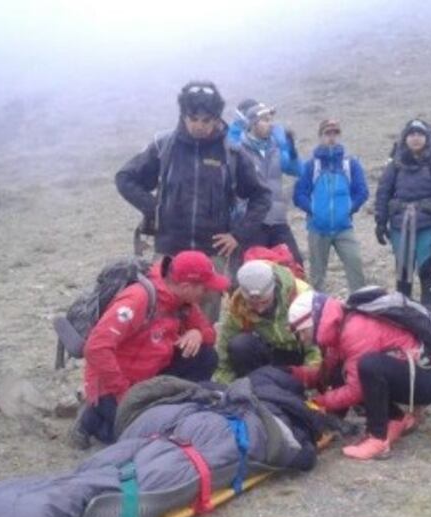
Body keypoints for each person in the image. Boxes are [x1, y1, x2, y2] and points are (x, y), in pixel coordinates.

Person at [115, 81, 271, 320]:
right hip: (169, 251)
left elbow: (262, 195)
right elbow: (125, 178)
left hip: (211, 253)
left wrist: (238, 235)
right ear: (183, 115)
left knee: (203, 323)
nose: (199, 125)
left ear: (217, 118)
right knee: (160, 317)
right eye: (193, 118)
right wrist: (155, 210)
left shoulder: (231, 153)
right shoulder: (164, 146)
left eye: (206, 120)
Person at [73, 251, 227, 446]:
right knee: (132, 436)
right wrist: (123, 393)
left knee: (205, 356)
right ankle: (91, 416)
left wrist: (197, 333)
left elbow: (209, 334)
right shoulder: (138, 299)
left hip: (150, 374)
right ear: (186, 287)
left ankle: (163, 406)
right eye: (204, 289)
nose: (208, 293)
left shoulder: (183, 300)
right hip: (115, 384)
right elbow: (96, 348)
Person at [286, 290, 431, 460]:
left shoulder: (354, 329)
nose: (301, 338)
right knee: (349, 369)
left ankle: (378, 438)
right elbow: (329, 372)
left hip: (427, 380)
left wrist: (318, 403)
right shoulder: (340, 325)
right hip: (409, 374)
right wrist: (296, 375)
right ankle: (395, 419)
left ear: (313, 320)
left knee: (369, 366)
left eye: (302, 331)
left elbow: (356, 390)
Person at [374, 119, 431, 307]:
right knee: (403, 271)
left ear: (427, 138)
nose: (416, 138)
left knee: (427, 269)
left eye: (420, 134)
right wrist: (380, 222)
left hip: (429, 226)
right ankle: (404, 310)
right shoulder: (395, 165)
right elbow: (383, 192)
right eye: (411, 134)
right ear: (405, 138)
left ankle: (429, 310)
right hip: (400, 226)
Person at [214, 259, 320, 384]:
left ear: (274, 289)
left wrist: (309, 381)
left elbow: (317, 348)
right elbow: (224, 352)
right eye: (252, 303)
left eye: (264, 302)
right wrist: (225, 387)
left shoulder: (302, 296)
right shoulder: (238, 305)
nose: (260, 309)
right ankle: (255, 385)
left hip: (298, 356)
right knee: (240, 344)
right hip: (267, 356)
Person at [293, 118, 369, 293]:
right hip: (317, 228)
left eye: (335, 133)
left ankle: (359, 304)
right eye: (327, 133)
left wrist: (349, 209)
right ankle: (318, 305)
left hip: (344, 227)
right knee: (317, 275)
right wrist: (314, 211)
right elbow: (299, 194)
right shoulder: (311, 166)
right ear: (320, 136)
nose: (332, 137)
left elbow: (362, 191)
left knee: (355, 264)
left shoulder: (350, 164)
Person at [231, 99, 305, 266]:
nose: (270, 124)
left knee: (295, 265)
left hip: (277, 219)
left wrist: (291, 151)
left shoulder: (275, 149)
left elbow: (298, 170)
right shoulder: (238, 151)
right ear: (252, 124)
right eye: (265, 120)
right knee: (253, 268)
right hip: (251, 222)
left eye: (270, 120)